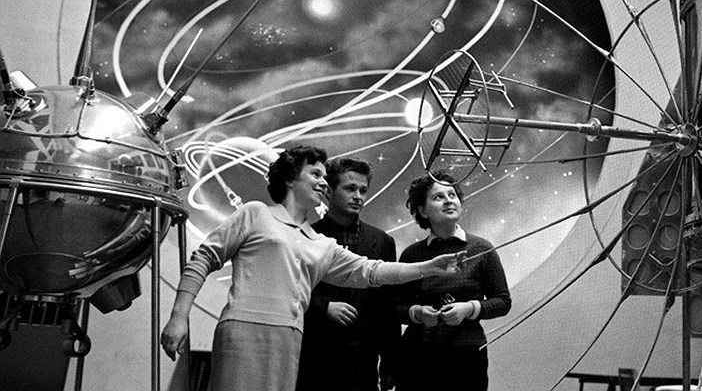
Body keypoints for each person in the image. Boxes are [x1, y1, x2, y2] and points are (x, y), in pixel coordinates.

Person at [160, 146, 463, 391]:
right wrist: (178, 317)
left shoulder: (320, 243)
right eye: (315, 174)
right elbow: (204, 258)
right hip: (243, 331)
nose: (323, 182)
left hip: (289, 339)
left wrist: (428, 267)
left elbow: (372, 271)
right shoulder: (255, 213)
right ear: (290, 179)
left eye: (325, 176)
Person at [394, 171, 511, 391]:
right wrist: (418, 313)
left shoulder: (482, 249)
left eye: (452, 195)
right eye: (438, 197)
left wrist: (469, 309)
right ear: (422, 211)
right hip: (418, 358)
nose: (449, 201)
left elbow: (503, 301)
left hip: (467, 358)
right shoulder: (412, 254)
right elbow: (395, 307)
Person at [295, 158, 398, 391]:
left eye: (363, 190)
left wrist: (390, 362)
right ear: (329, 191)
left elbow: (388, 306)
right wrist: (323, 307)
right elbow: (288, 290)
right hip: (315, 357)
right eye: (350, 188)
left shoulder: (383, 241)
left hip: (363, 362)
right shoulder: (305, 236)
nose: (358, 196)